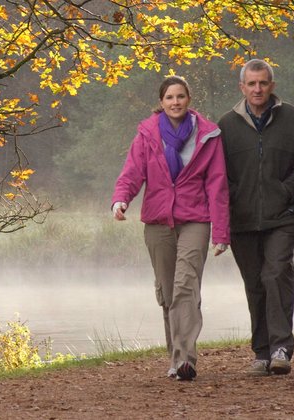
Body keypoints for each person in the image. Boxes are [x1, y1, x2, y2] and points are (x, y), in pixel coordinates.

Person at [111, 76, 230, 381]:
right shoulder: (148, 134)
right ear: (161, 102)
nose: (175, 102)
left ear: (189, 98)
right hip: (158, 220)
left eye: (180, 96)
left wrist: (221, 232)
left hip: (196, 218)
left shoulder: (207, 135)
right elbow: (132, 173)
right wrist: (121, 200)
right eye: (169, 98)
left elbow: (218, 185)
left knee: (185, 286)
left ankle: (186, 359)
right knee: (167, 291)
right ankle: (175, 358)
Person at [217, 59, 294, 376]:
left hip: (282, 216)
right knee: (255, 284)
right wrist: (233, 199)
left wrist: (285, 193)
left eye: (263, 83)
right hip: (241, 218)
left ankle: (281, 347)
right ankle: (262, 352)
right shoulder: (226, 124)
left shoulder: (292, 118)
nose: (258, 89)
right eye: (252, 84)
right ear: (242, 87)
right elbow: (219, 174)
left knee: (276, 274)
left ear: (272, 85)